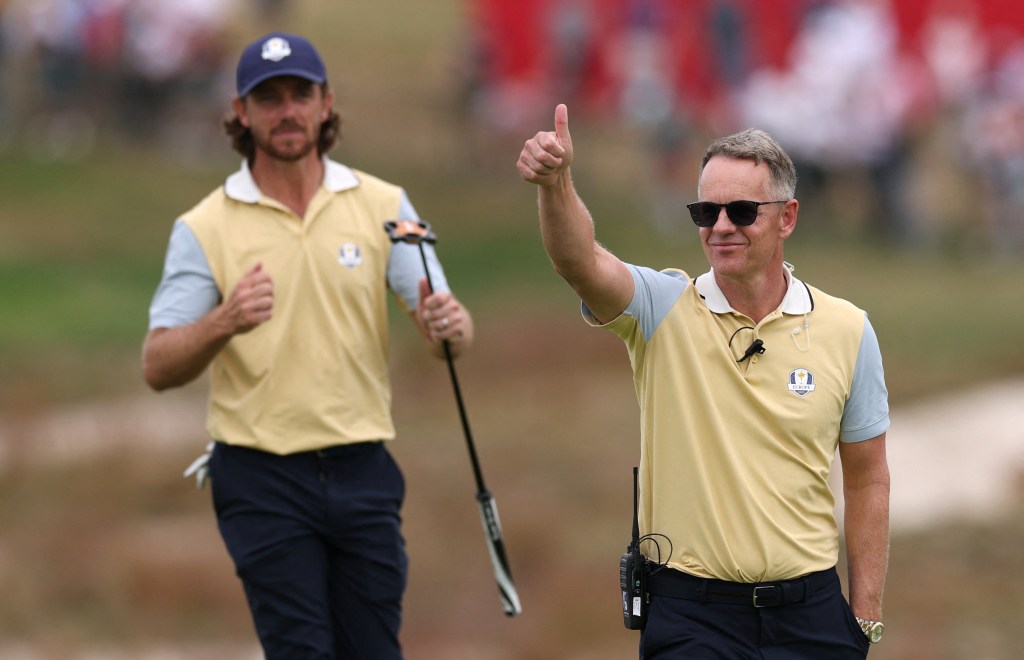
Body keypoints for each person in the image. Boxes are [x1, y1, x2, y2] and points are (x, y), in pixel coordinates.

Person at [142, 32, 473, 659]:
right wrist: (223, 322)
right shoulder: (203, 226)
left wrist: (451, 329)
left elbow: (445, 329)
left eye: (300, 94)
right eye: (269, 98)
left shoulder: (385, 205)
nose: (286, 110)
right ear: (241, 112)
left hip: (362, 467)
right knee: (302, 650)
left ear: (326, 104)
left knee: (374, 649)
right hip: (260, 474)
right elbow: (157, 365)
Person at [517, 104, 889, 658]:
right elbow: (580, 261)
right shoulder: (660, 308)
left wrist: (863, 619)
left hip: (811, 616)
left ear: (786, 218)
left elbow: (867, 480)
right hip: (693, 616)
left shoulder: (848, 330)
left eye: (740, 210)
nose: (720, 227)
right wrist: (556, 183)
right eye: (705, 211)